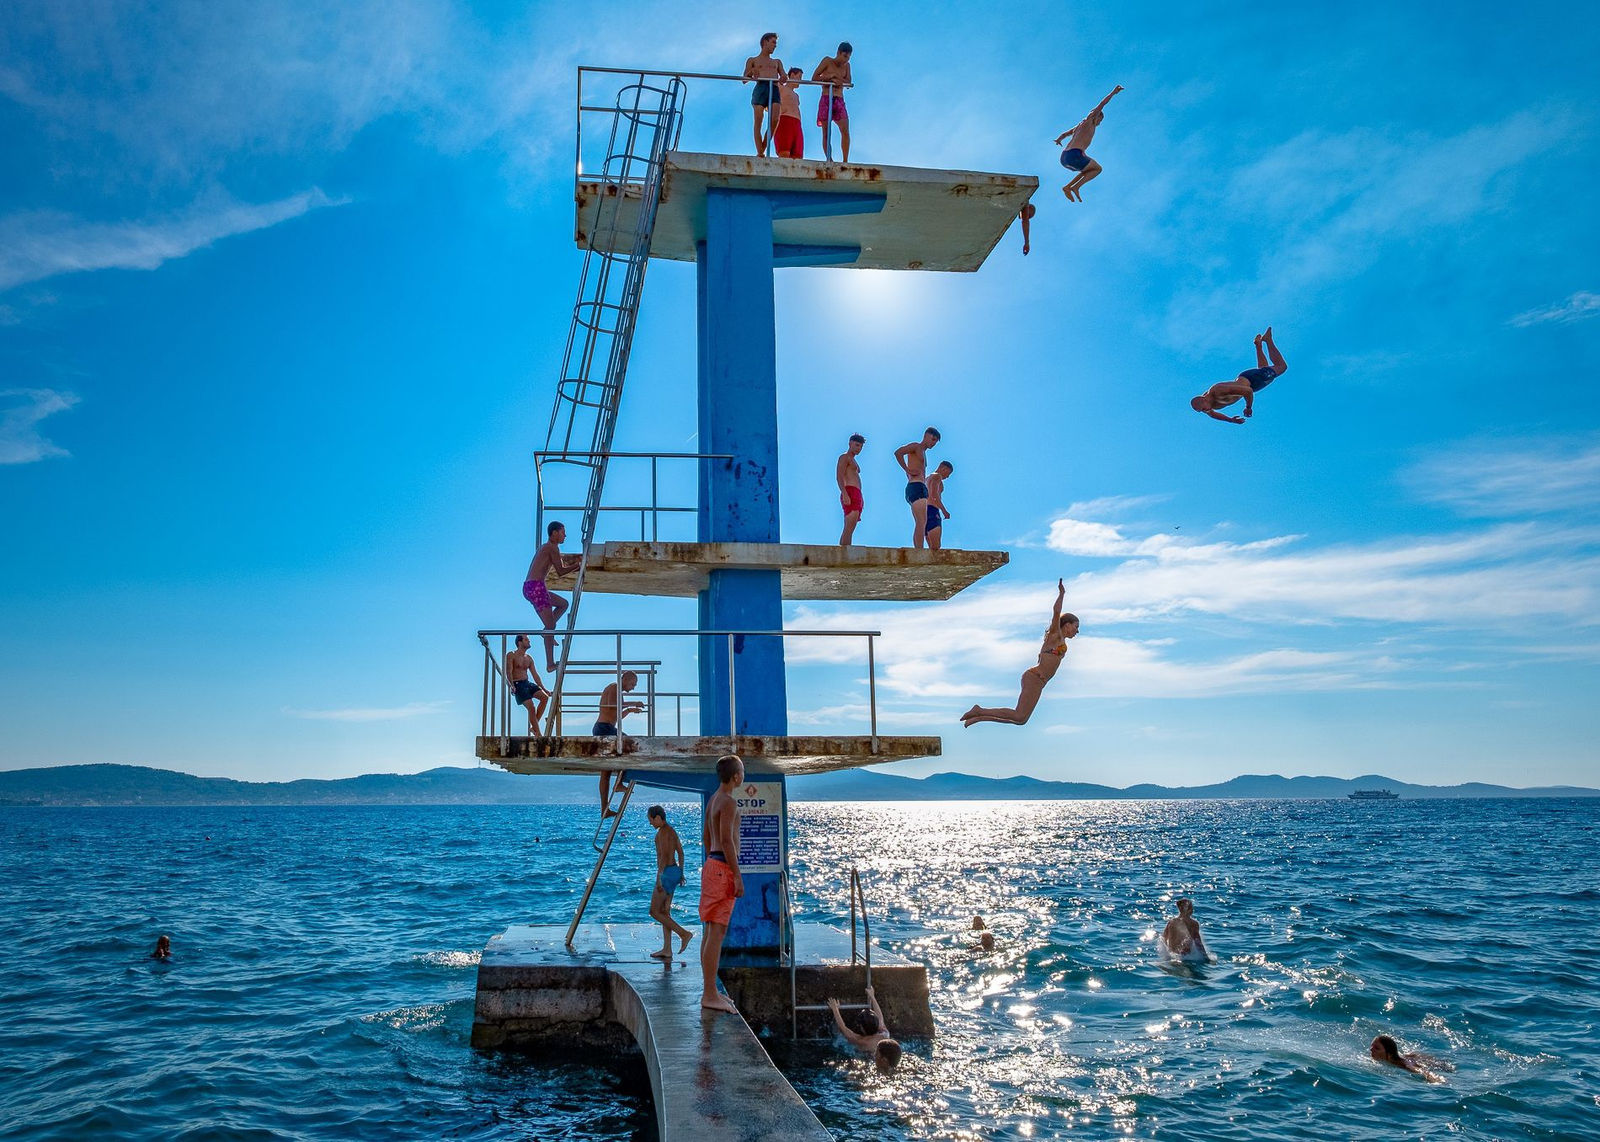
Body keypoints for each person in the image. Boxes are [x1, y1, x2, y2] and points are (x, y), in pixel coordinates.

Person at [962, 580, 1078, 726]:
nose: (1077, 631)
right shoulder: (1056, 635)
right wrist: (1062, 594)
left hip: (1040, 682)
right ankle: (979, 711)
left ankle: (979, 716)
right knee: (1018, 715)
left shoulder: (1062, 642)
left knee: (1021, 720)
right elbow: (1056, 612)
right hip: (1034, 677)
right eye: (1075, 627)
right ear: (1067, 625)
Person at [699, 754, 745, 1013]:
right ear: (736, 776)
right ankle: (709, 994)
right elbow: (726, 841)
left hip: (711, 865)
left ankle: (711, 990)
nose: (743, 775)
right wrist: (736, 875)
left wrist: (712, 866)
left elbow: (707, 837)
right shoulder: (727, 802)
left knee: (709, 931)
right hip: (722, 867)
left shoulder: (713, 800)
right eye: (742, 771)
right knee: (717, 933)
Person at [1191, 328, 1289, 424]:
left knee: (1281, 367)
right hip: (1251, 384)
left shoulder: (1218, 390)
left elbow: (1248, 391)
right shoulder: (1207, 405)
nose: (1205, 411)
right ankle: (1258, 345)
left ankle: (1268, 340)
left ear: (1204, 399)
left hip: (1251, 379)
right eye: (1202, 411)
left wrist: (1248, 408)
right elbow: (1213, 415)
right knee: (1264, 369)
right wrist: (1230, 420)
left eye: (1203, 408)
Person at [523, 521, 583, 672]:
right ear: (554, 533)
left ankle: (547, 632)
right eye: (563, 532)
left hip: (534, 587)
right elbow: (561, 571)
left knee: (563, 604)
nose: (565, 535)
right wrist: (579, 565)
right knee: (551, 626)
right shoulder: (551, 547)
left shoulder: (547, 547)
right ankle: (550, 663)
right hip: (536, 587)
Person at [1054, 85, 1123, 202]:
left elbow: (1066, 134)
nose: (1099, 123)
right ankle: (1074, 187)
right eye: (1100, 120)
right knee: (1097, 169)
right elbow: (1102, 104)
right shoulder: (1091, 119)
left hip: (1064, 157)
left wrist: (1059, 139)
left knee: (1088, 170)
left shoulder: (1079, 126)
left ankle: (1068, 187)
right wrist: (1114, 92)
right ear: (1098, 117)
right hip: (1074, 155)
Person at [593, 671, 644, 818]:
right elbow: (614, 706)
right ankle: (619, 784)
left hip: (606, 727)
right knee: (630, 744)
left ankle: (604, 809)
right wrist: (633, 703)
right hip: (604, 728)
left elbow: (615, 713)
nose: (633, 688)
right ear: (625, 679)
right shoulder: (614, 687)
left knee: (606, 771)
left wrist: (629, 710)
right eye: (633, 684)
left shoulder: (617, 691)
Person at [646, 806, 695, 960]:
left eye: (651, 820)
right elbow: (680, 852)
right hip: (674, 872)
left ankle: (684, 934)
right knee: (665, 912)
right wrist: (681, 872)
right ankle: (667, 949)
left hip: (666, 874)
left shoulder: (662, 833)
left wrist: (659, 878)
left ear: (658, 817)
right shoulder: (672, 831)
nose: (651, 823)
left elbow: (665, 857)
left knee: (654, 911)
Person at [827, 986, 902, 1072]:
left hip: (868, 1060)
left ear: (862, 1029)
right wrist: (872, 996)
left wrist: (835, 1009)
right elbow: (880, 1017)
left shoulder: (862, 1041)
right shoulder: (884, 1033)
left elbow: (843, 1029)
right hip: (884, 1058)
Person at [894, 427, 941, 549]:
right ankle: (919, 550)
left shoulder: (924, 454)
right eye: (933, 439)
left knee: (922, 521)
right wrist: (907, 469)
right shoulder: (916, 446)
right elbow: (898, 452)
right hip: (915, 486)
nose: (933, 443)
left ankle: (919, 548)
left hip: (920, 486)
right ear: (926, 436)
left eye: (935, 441)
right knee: (921, 521)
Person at [742, 33, 786, 156]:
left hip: (774, 87)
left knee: (775, 119)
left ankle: (763, 147)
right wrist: (752, 71)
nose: (775, 46)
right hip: (761, 86)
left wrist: (783, 77)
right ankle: (760, 151)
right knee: (758, 119)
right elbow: (744, 79)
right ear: (765, 42)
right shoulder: (753, 60)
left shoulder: (777, 62)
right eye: (773, 42)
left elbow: (783, 75)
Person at [811, 42, 853, 162]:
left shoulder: (847, 66)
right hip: (826, 97)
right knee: (826, 132)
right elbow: (814, 77)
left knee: (845, 130)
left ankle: (845, 160)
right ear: (839, 53)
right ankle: (829, 159)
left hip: (839, 99)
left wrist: (838, 79)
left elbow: (848, 82)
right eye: (845, 56)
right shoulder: (827, 61)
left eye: (848, 57)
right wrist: (830, 76)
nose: (846, 60)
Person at [504, 634, 549, 734]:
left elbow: (535, 675)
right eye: (526, 640)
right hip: (518, 684)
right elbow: (508, 671)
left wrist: (544, 689)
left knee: (545, 698)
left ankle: (534, 727)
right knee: (531, 707)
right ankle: (538, 734)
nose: (529, 641)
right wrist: (511, 685)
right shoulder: (511, 655)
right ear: (519, 642)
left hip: (527, 683)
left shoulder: (529, 658)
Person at [1370, 1035, 1447, 1082]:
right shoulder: (1393, 1058)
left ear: (1389, 1054)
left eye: (1376, 1048)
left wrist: (1437, 1080)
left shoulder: (1404, 1065)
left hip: (1432, 1065)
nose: (1371, 1049)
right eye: (1372, 1046)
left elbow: (1421, 1071)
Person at [837, 433, 865, 545]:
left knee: (851, 525)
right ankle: (845, 551)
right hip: (849, 491)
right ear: (850, 443)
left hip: (857, 493)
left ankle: (843, 550)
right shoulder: (844, 457)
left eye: (861, 447)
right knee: (849, 525)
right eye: (857, 445)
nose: (859, 449)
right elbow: (839, 476)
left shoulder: (854, 461)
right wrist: (844, 493)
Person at [773, 68, 805, 159]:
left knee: (798, 156)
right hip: (784, 120)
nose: (800, 80)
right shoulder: (780, 87)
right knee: (784, 153)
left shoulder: (796, 95)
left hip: (797, 123)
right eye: (799, 77)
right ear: (792, 75)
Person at [924, 461, 953, 551]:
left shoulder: (927, 478)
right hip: (932, 510)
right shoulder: (937, 476)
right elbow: (934, 494)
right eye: (948, 474)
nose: (947, 477)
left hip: (924, 511)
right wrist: (944, 511)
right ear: (944, 469)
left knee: (931, 547)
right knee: (936, 546)